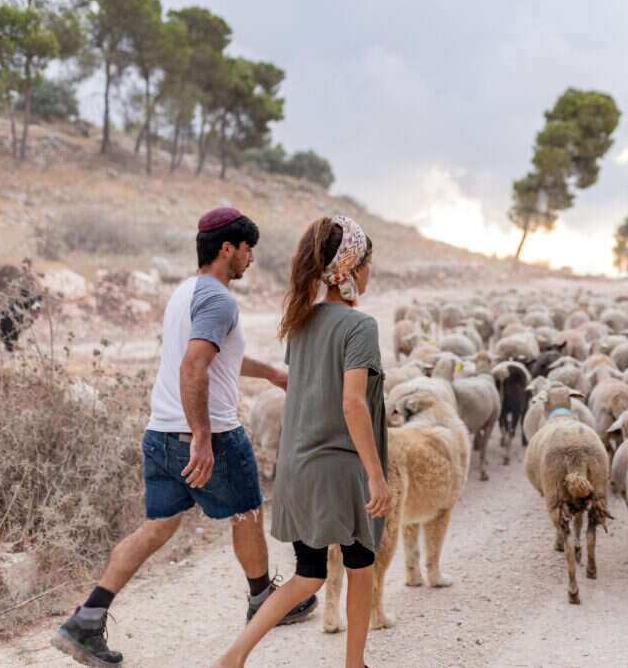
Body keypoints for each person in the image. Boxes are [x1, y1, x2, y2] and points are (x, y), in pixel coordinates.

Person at [52, 208, 317, 667]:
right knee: (247, 511)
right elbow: (193, 364)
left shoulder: (184, 294)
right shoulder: (219, 300)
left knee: (156, 527)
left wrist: (272, 373)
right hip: (210, 432)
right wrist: (201, 436)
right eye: (247, 248)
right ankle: (262, 599)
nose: (252, 257)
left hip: (159, 432)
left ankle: (86, 620)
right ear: (226, 249)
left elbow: (214, 357)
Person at [212, 216, 390, 668]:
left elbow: (303, 387)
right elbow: (353, 404)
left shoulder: (301, 321)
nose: (369, 273)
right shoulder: (359, 326)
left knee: (307, 575)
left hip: (298, 466)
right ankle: (355, 664)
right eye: (366, 263)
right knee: (361, 566)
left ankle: (232, 658)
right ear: (350, 268)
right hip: (341, 469)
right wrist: (375, 474)